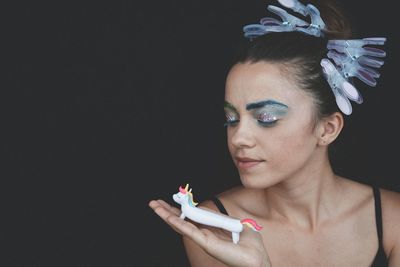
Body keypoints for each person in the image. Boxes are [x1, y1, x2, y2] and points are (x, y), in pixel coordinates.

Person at [149, 0, 400, 266]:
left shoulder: (392, 219)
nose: (238, 138)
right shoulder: (215, 227)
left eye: (266, 118)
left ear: (327, 129)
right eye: (231, 119)